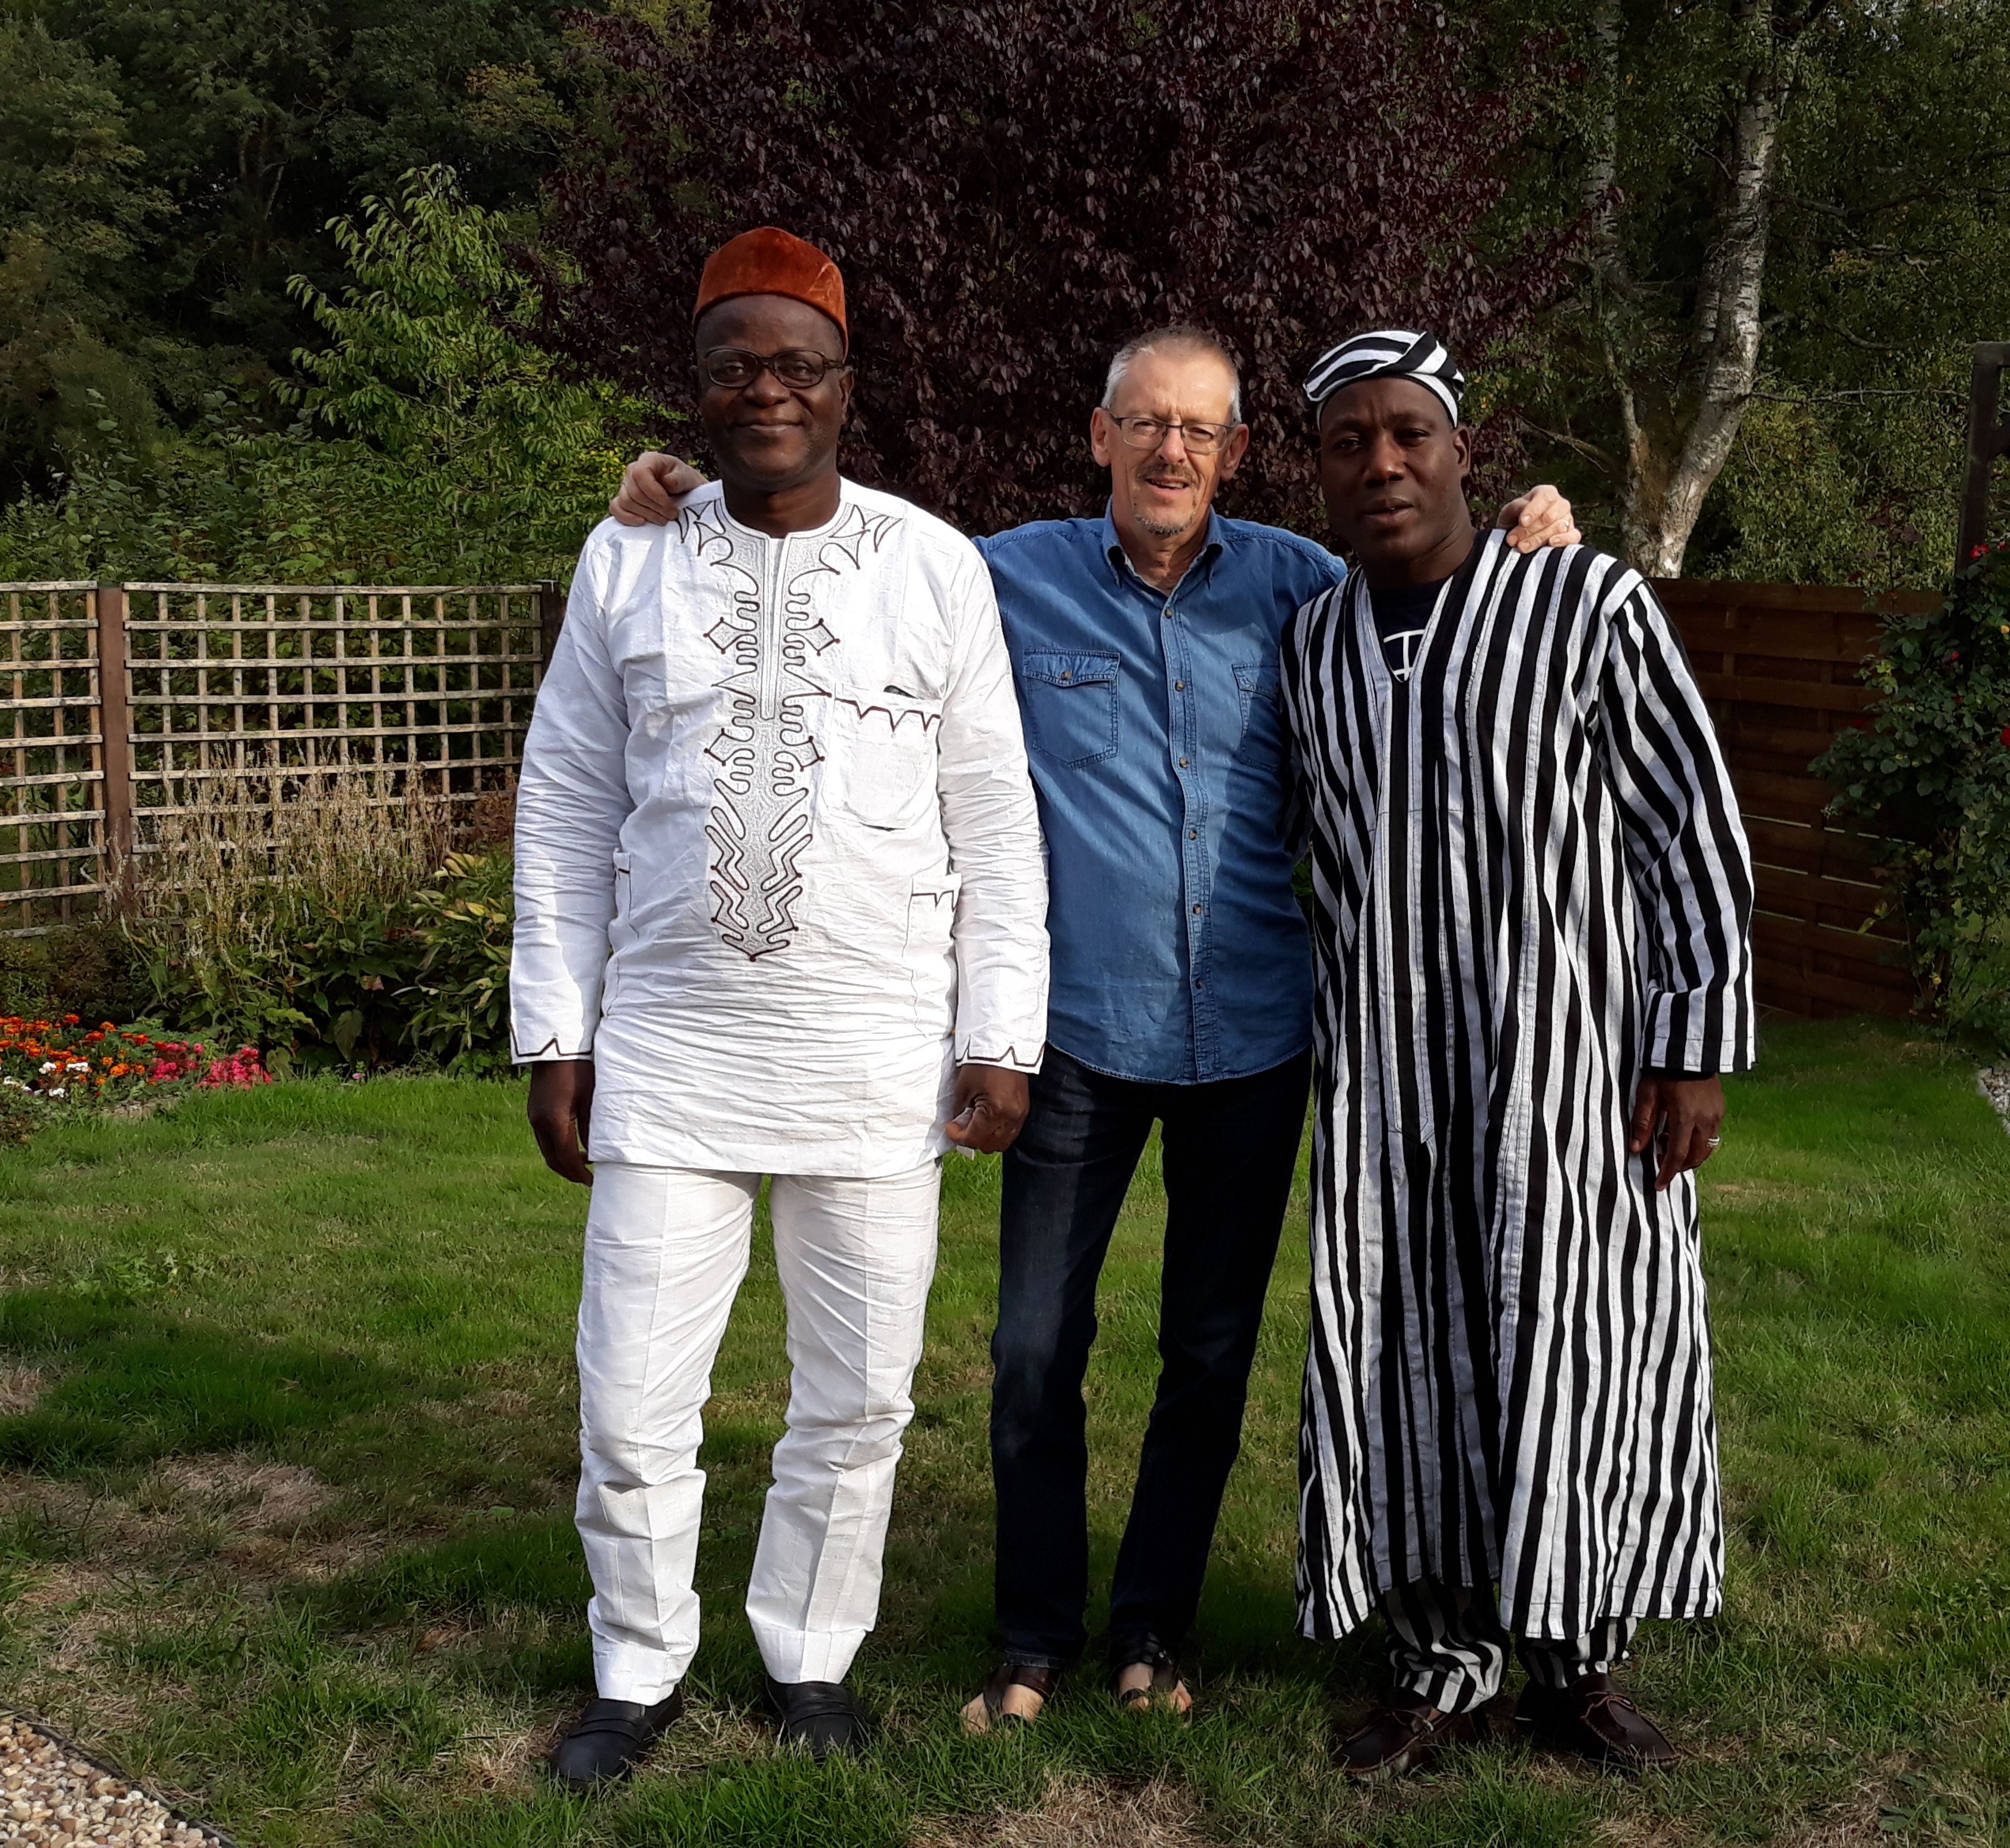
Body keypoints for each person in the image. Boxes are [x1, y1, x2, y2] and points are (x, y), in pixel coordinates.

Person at [608, 329, 1578, 1729]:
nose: (1171, 450)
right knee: (1032, 1354)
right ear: (1100, 436)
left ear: (1237, 453)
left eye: (1200, 429)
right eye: (1146, 423)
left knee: (1208, 1355)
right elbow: (841, 542)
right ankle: (1032, 1637)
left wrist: (1533, 522)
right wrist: (690, 493)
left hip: (1256, 1036)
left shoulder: (1304, 588)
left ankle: (1153, 1632)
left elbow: (1436, 576)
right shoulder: (1000, 576)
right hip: (1073, 1037)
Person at [511, 226, 1048, 1788]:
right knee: (632, 1400)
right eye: (734, 366)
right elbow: (566, 798)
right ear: (695, 385)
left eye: (797, 365)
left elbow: (995, 818)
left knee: (859, 1400)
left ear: (845, 385)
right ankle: (636, 1668)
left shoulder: (932, 566)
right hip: (670, 1046)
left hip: (876, 1052)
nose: (767, 392)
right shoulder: (628, 556)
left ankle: (812, 1659)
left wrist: (1000, 1035)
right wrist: (557, 1032)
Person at [1279, 329, 1756, 1782]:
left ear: (1461, 449)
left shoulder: (1584, 602)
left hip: (1570, 1078)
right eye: (1350, 442)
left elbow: (1688, 826)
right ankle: (1438, 1660)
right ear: (1320, 470)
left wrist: (1691, 1046)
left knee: (1572, 1344)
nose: (1382, 464)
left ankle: (1577, 1659)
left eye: (1408, 434)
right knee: (1407, 1353)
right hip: (1390, 1089)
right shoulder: (1313, 643)